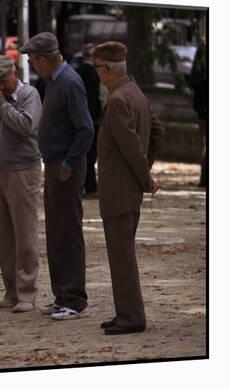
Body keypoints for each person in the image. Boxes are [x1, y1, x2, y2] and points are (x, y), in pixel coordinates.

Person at [20, 32, 94, 321]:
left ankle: (74, 299)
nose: (31, 65)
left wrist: (69, 164)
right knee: (56, 232)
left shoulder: (70, 83)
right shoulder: (54, 82)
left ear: (42, 59)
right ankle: (62, 294)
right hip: (54, 164)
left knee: (68, 232)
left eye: (31, 60)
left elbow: (86, 129)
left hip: (66, 167)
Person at [93, 41, 164, 335]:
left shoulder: (118, 99)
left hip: (120, 192)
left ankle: (132, 317)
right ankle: (125, 312)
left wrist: (145, 177)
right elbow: (158, 132)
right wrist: (146, 167)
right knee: (121, 255)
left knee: (121, 257)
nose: (97, 74)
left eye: (97, 68)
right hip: (127, 190)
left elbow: (131, 146)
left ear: (107, 69)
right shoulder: (134, 92)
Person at [0, 55, 42, 313]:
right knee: (3, 233)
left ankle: (27, 293)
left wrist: (4, 105)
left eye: (3, 80)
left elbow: (26, 125)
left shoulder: (29, 95)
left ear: (13, 74)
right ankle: (11, 290)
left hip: (22, 171)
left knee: (24, 233)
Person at [76, 43, 102, 197]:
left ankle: (81, 184)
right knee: (91, 156)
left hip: (79, 117)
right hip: (93, 118)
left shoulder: (77, 73)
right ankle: (91, 186)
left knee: (81, 154)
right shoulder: (97, 74)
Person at [190, 37, 207, 187]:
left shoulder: (202, 51)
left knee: (205, 143)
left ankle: (205, 178)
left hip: (203, 107)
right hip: (203, 108)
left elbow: (194, 80)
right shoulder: (202, 50)